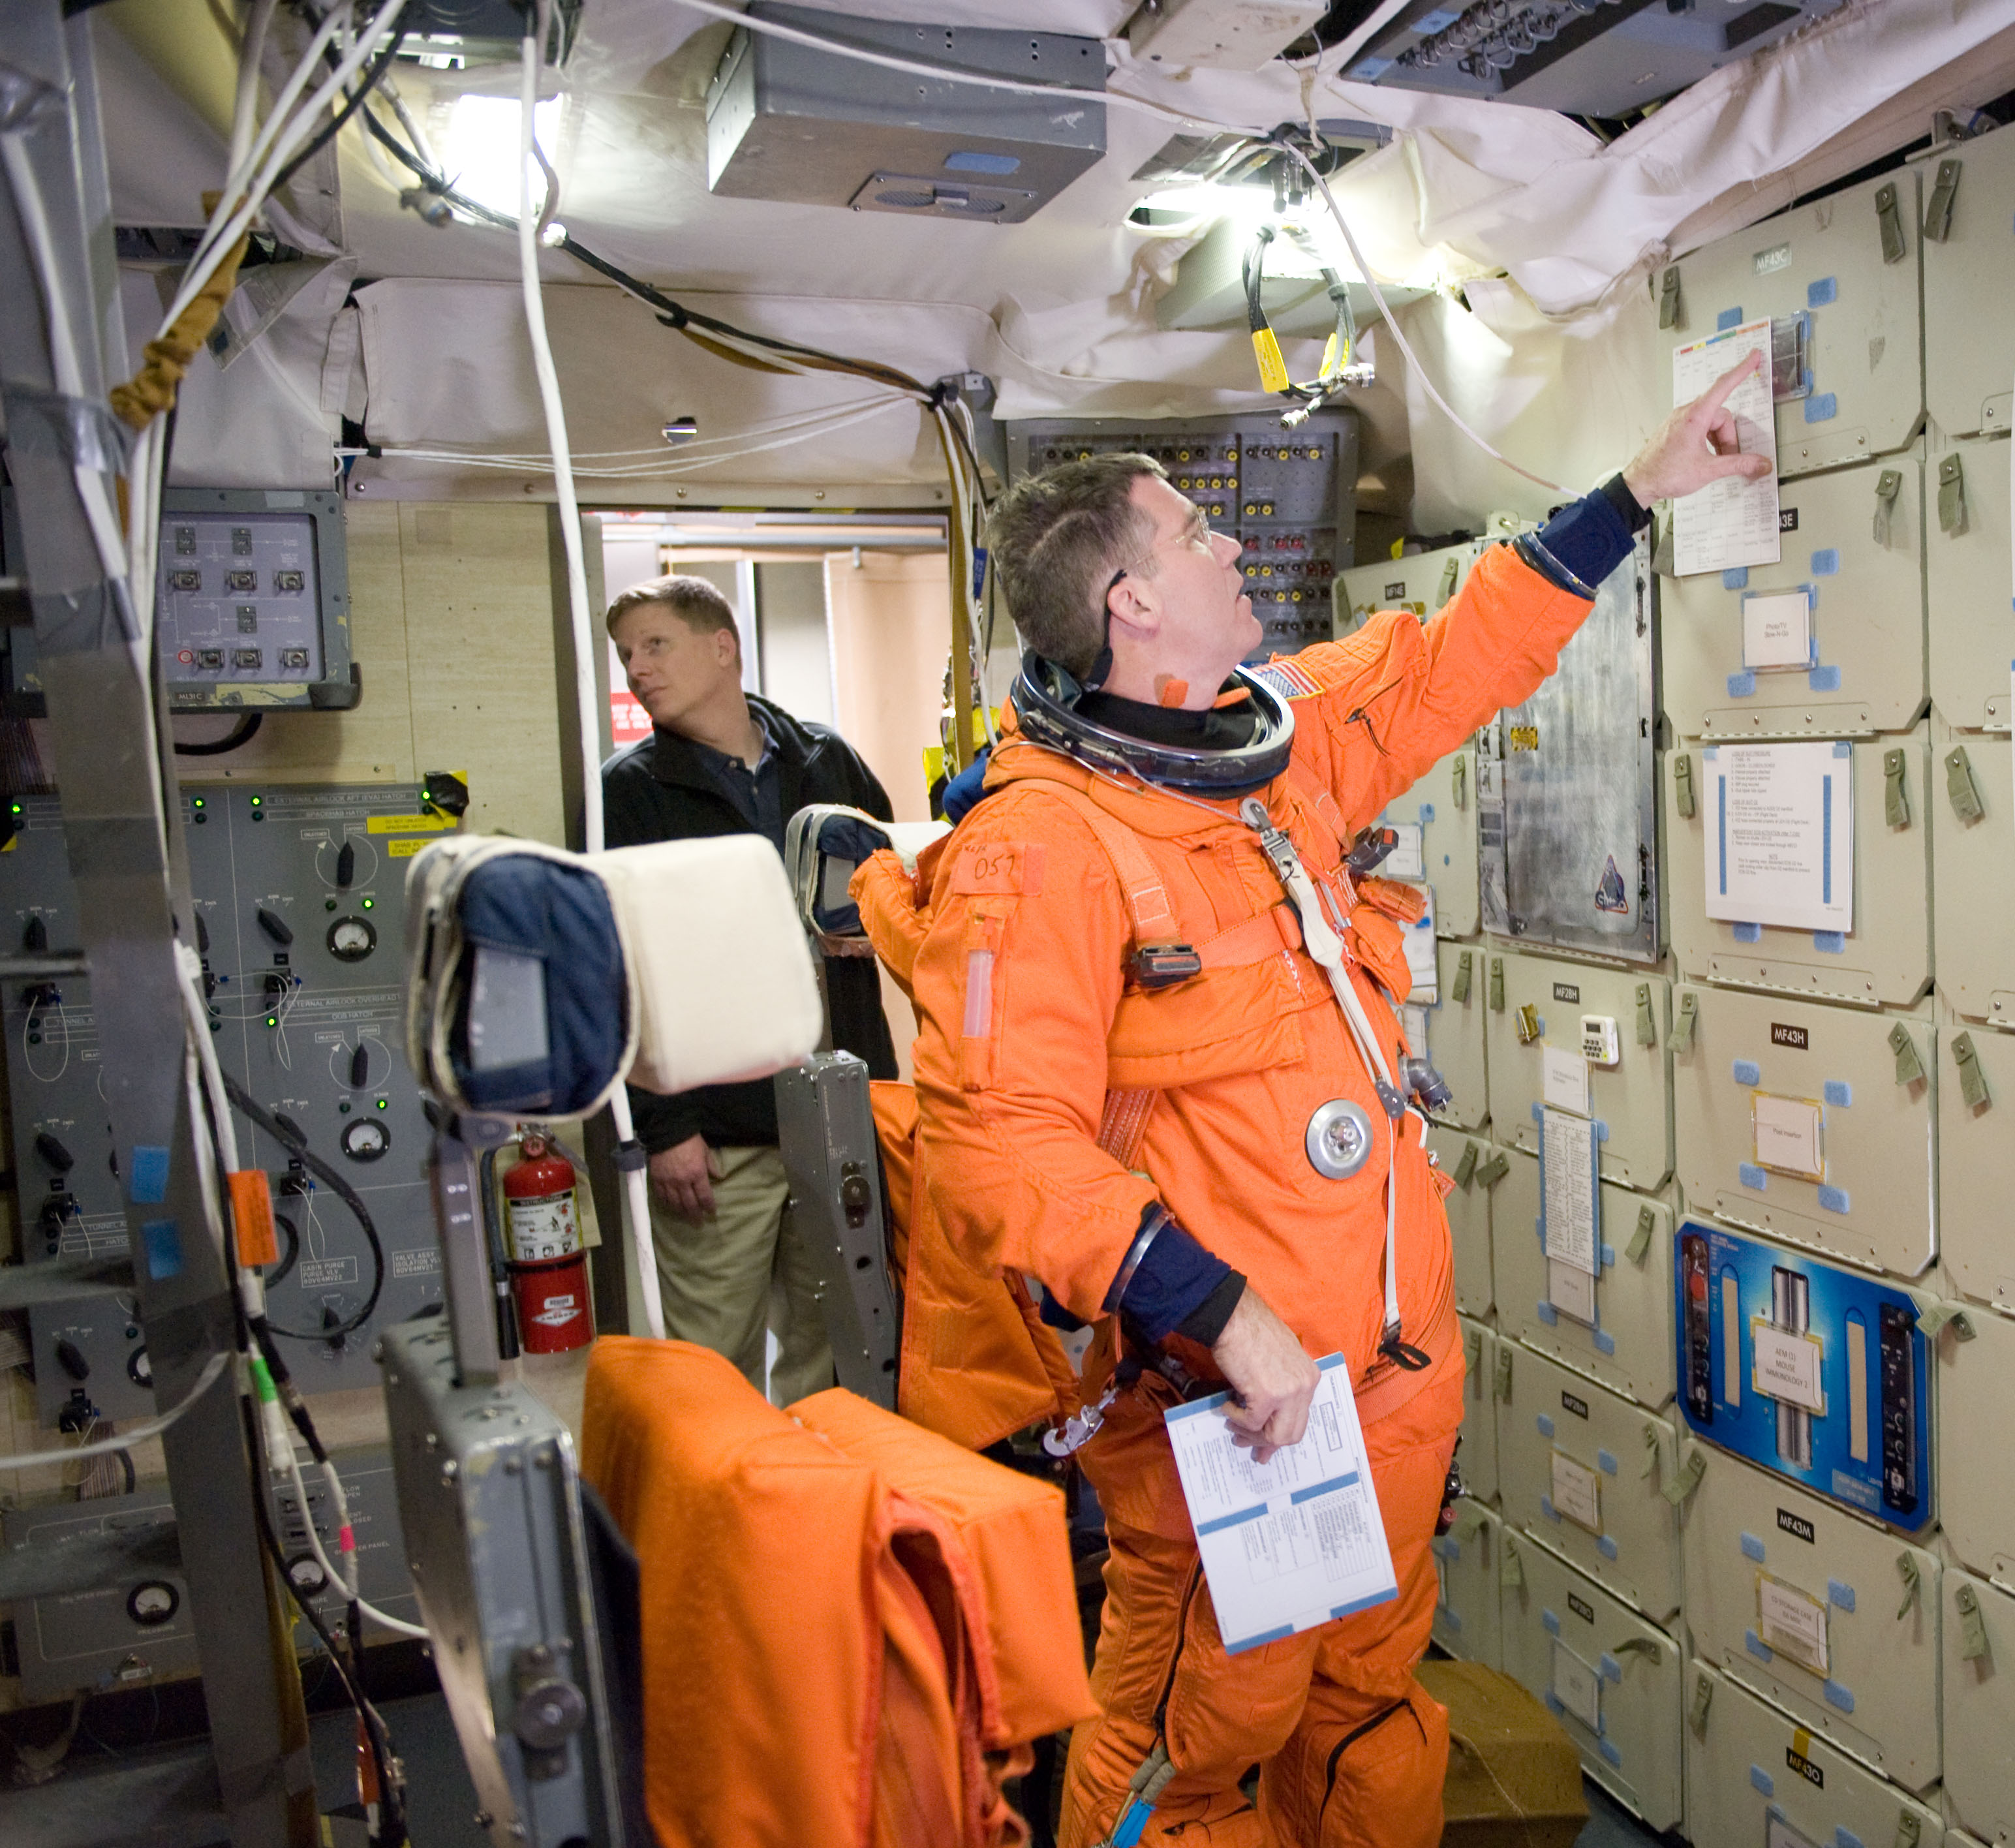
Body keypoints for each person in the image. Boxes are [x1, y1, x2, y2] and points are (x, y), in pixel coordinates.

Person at [862, 360, 1765, 1848]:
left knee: (1366, 1712)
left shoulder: (1268, 756)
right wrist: (1220, 1313)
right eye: (1192, 538)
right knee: (1195, 1745)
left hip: (1387, 1383)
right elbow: (996, 1141)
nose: (1230, 549)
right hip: (1239, 1412)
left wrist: (1642, 488)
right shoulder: (1042, 852)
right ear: (1132, 607)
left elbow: (1441, 662)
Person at [601, 573, 901, 1403]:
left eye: (655, 645)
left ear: (722, 646)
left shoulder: (822, 757)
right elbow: (621, 968)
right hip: (717, 1136)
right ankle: (719, 1526)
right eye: (626, 655)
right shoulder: (630, 792)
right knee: (709, 1370)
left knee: (831, 1353)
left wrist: (871, 921)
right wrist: (664, 1130)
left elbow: (900, 879)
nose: (637, 669)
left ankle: (812, 1521)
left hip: (836, 1110)